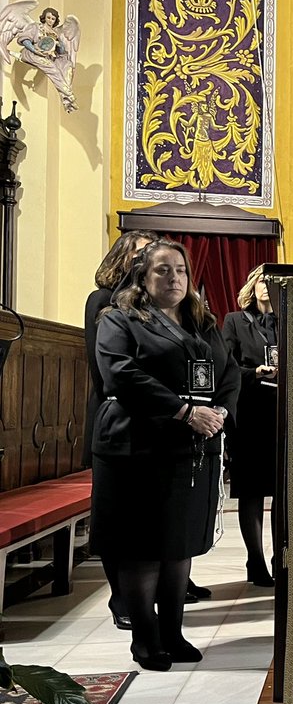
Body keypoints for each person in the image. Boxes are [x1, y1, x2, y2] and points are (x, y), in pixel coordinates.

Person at [91, 240, 239, 671]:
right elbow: (120, 373)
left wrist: (220, 412)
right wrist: (184, 411)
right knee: (142, 546)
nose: (174, 278)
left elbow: (229, 371)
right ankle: (145, 639)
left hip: (191, 446)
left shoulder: (201, 321)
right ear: (142, 276)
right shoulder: (118, 318)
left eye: (180, 270)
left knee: (178, 544)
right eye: (162, 270)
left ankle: (173, 634)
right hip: (135, 445)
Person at [84, 229, 158, 631]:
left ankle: (149, 592)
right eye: (140, 253)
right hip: (116, 417)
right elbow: (104, 371)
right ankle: (120, 598)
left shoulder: (154, 305)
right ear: (123, 257)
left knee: (148, 516)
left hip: (154, 422)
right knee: (115, 517)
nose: (146, 259)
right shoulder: (102, 301)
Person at [221, 265, 278, 588]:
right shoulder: (234, 320)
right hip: (250, 412)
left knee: (283, 492)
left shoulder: (287, 320)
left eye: (271, 281)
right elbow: (226, 366)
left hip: (281, 412)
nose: (266, 286)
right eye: (261, 281)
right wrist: (255, 372)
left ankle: (281, 558)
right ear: (251, 287)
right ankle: (255, 560)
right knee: (252, 491)